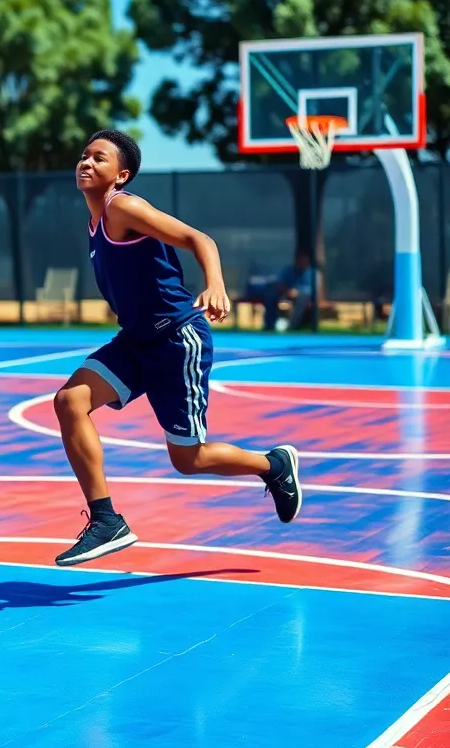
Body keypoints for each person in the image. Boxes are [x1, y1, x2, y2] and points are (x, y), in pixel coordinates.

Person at [52, 130, 302, 567]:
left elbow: (200, 240)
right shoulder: (93, 224)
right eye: (84, 155)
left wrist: (216, 285)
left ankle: (273, 465)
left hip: (174, 340)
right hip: (136, 340)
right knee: (70, 400)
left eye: (100, 158)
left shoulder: (125, 206)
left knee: (189, 459)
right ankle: (106, 521)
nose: (86, 162)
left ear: (121, 175)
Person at [245, 250, 316, 331]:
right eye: (300, 259)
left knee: (302, 298)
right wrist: (287, 290)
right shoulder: (289, 270)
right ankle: (270, 325)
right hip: (285, 294)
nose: (301, 261)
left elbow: (311, 290)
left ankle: (293, 325)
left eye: (304, 260)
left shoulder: (311, 273)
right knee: (271, 296)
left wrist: (297, 292)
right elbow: (279, 282)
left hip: (303, 297)